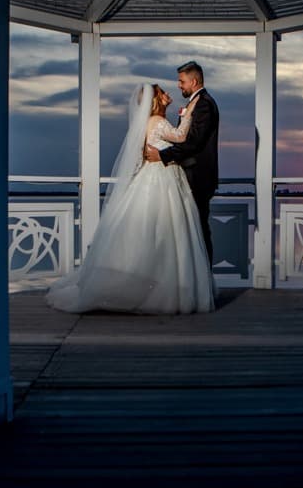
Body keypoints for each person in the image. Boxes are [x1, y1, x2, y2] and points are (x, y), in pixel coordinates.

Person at [45, 83, 216, 314]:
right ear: (156, 99)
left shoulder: (150, 122)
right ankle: (164, 286)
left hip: (158, 174)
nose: (169, 94)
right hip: (162, 179)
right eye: (163, 92)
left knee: (157, 232)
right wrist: (188, 113)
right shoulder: (156, 121)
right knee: (166, 231)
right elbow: (181, 136)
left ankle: (151, 282)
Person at [145, 60, 220, 265]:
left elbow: (194, 142)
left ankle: (202, 282)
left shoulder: (203, 104)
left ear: (194, 81)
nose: (179, 85)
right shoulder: (196, 102)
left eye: (182, 81)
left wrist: (163, 156)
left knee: (199, 233)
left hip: (198, 177)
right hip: (189, 176)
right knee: (190, 232)